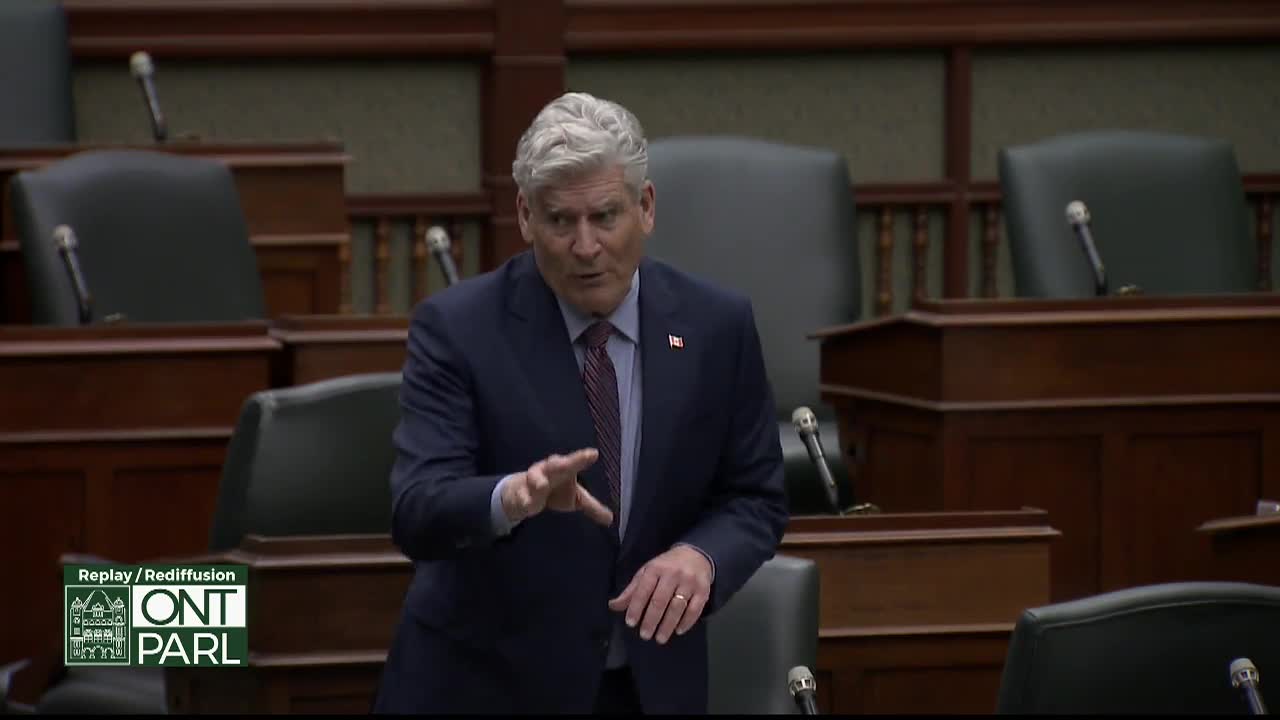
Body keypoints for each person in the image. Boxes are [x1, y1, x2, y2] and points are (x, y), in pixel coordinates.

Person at [372, 91, 788, 714]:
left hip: (646, 686)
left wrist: (701, 555)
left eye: (605, 216)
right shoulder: (458, 328)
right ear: (525, 216)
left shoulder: (715, 325)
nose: (586, 247)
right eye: (561, 221)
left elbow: (755, 496)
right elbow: (416, 508)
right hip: (489, 688)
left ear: (645, 208)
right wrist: (508, 497)